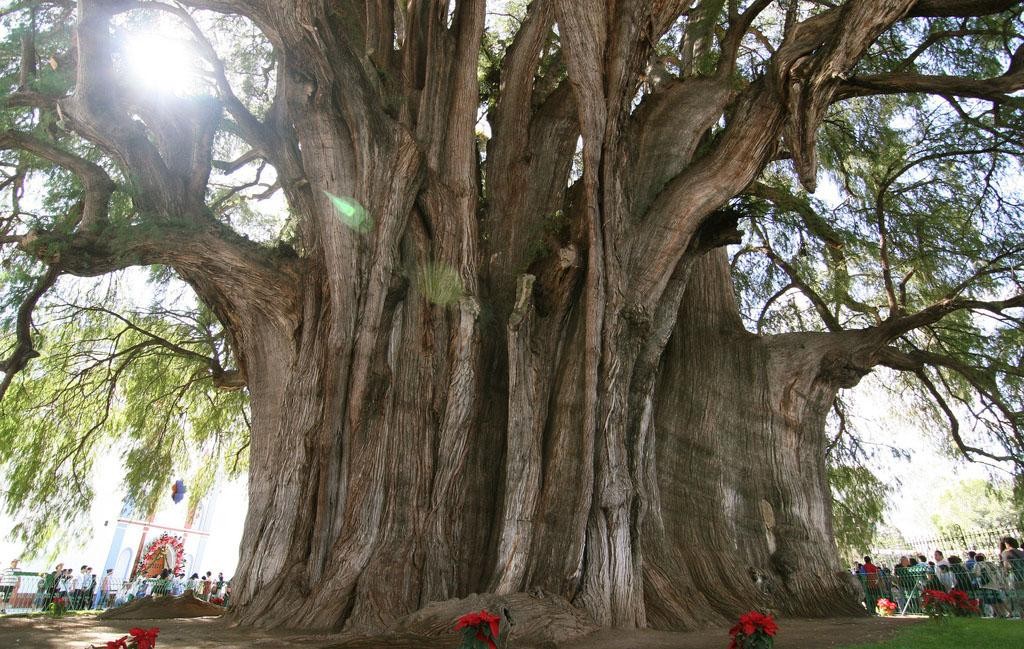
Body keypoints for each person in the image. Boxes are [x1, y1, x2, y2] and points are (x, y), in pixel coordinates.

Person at [974, 554, 1009, 618]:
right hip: (995, 584)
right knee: (999, 600)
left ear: (976, 560)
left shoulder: (978, 565)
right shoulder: (991, 563)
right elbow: (998, 572)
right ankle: (1009, 612)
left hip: (986, 585)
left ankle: (999, 614)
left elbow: (977, 573)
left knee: (991, 601)